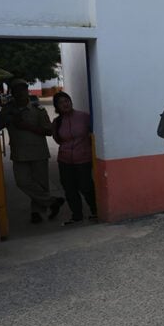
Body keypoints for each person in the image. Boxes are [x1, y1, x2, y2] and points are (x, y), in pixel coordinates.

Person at [0, 79, 63, 223]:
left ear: (27, 91)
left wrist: (26, 126)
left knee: (41, 183)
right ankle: (52, 202)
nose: (20, 94)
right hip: (19, 152)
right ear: (12, 93)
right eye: (16, 91)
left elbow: (48, 131)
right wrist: (9, 118)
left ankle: (37, 212)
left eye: (23, 90)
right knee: (22, 182)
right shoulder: (8, 110)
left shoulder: (38, 110)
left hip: (38, 151)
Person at [51, 91, 97, 225]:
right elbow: (57, 139)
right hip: (64, 160)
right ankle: (76, 215)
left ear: (71, 101)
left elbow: (92, 133)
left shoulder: (84, 117)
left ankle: (95, 210)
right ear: (57, 107)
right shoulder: (57, 122)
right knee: (69, 188)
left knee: (86, 186)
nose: (65, 104)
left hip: (83, 158)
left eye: (66, 101)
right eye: (61, 103)